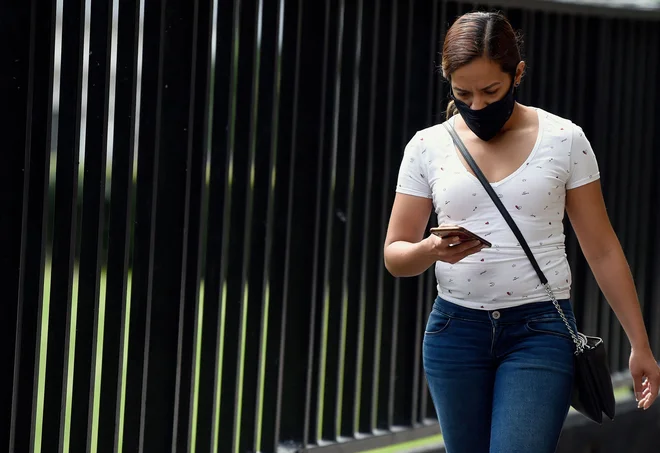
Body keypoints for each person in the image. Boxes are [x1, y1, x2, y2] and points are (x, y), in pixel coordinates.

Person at [383, 11, 660, 453]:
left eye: (491, 90)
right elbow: (395, 254)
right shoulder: (426, 145)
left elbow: (602, 248)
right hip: (455, 332)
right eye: (462, 93)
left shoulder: (564, 139)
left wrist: (640, 344)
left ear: (518, 74)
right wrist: (432, 249)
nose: (477, 105)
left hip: (540, 330)